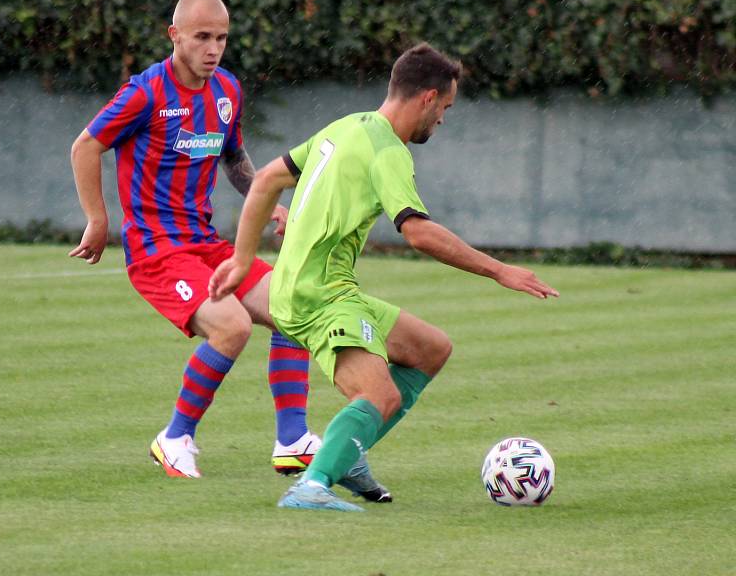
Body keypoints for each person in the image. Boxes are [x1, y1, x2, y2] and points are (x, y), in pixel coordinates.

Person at [208, 42, 560, 511]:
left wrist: (242, 258)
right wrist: (499, 270)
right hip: (320, 296)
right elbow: (418, 232)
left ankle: (348, 457)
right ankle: (311, 487)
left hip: (314, 288)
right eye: (446, 109)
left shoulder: (347, 125)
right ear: (428, 97)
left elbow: (268, 177)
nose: (442, 121)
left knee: (431, 349)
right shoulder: (389, 152)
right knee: (380, 395)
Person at [69, 0, 322, 480]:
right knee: (233, 326)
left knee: (298, 306)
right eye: (202, 37)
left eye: (221, 38)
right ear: (175, 36)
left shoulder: (226, 90)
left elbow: (232, 157)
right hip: (157, 252)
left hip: (205, 245)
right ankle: (175, 438)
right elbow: (85, 146)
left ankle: (292, 440)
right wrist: (98, 219)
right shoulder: (145, 93)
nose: (213, 48)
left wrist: (270, 205)